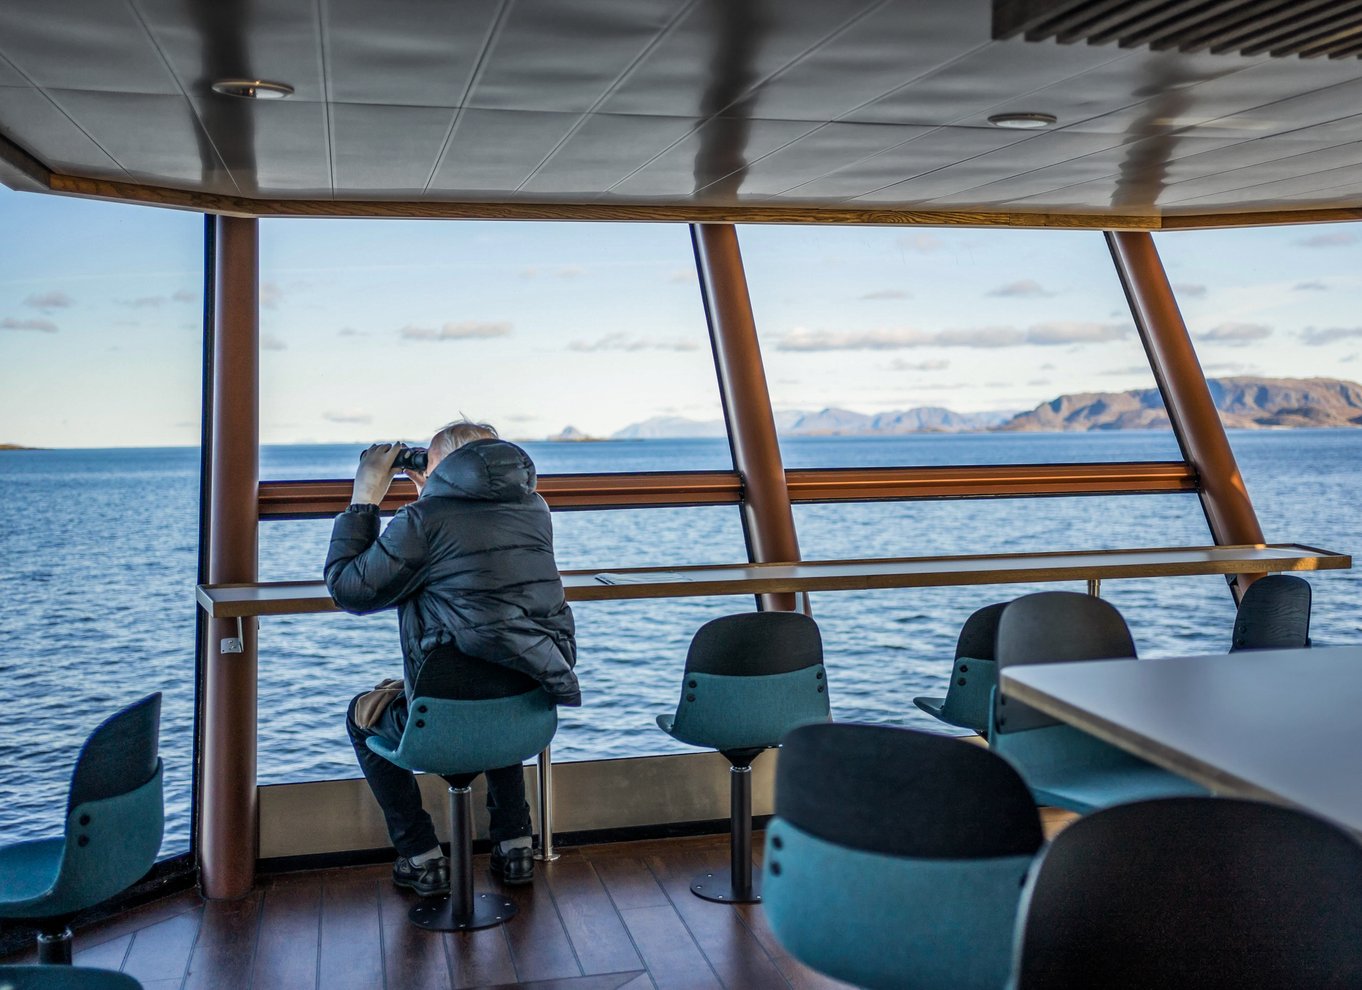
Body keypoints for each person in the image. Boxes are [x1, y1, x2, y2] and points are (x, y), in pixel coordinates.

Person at [325, 419, 579, 896]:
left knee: (362, 714)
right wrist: (432, 494)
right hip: (529, 710)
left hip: (445, 719)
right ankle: (515, 843)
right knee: (501, 671)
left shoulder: (424, 521)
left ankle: (421, 856)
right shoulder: (534, 508)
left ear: (450, 468)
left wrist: (364, 500)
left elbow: (349, 589)